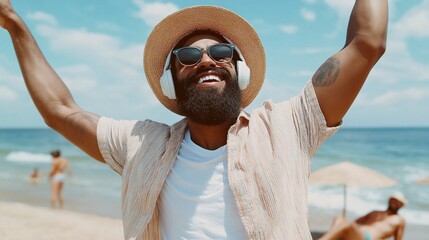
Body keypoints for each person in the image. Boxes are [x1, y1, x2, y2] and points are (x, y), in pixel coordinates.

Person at [0, 0, 388, 239]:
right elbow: (61, 110)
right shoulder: (141, 144)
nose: (206, 60)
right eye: (187, 57)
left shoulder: (288, 128)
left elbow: (367, 43)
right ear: (172, 77)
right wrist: (14, 23)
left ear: (239, 69)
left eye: (221, 51)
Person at [320, 192, 407, 240]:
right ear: (390, 200)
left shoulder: (399, 220)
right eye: (394, 200)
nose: (395, 203)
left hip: (369, 238)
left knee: (346, 224)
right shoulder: (375, 213)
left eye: (398, 202)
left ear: (401, 205)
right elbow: (355, 222)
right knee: (339, 219)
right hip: (358, 235)